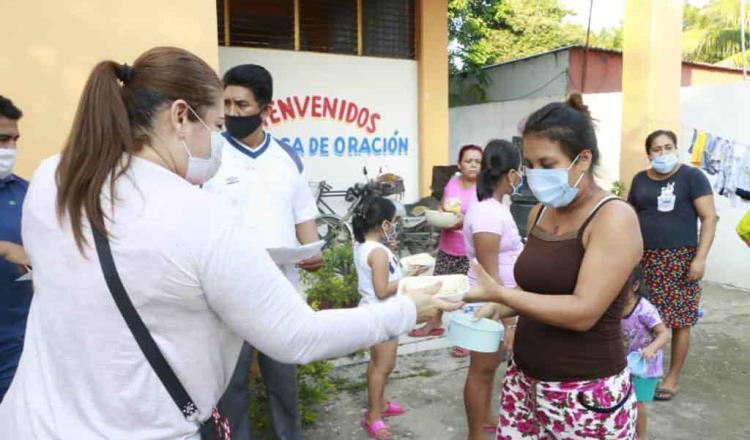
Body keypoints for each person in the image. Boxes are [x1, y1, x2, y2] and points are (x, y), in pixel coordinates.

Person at [0, 47, 458, 439]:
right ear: (181, 116)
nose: (220, 139)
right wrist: (406, 309)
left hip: (29, 422)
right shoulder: (196, 215)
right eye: (217, 124)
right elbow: (299, 336)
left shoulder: (51, 176)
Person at [465, 94, 643, 439]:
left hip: (584, 394)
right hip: (524, 383)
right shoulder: (539, 213)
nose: (536, 175)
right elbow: (536, 290)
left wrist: (503, 294)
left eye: (547, 164)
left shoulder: (613, 217)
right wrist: (492, 302)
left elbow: (583, 312)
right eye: (530, 164)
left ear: (582, 160)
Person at [202, 64, 323, 440]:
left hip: (279, 296)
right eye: (227, 104)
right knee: (230, 389)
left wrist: (312, 253)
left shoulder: (287, 159)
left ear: (266, 108)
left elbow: (305, 223)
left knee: (283, 386)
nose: (232, 113)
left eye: (242, 104)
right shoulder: (209, 155)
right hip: (227, 297)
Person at [627, 129, 717, 402]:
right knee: (645, 318)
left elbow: (710, 218)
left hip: (681, 261)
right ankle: (642, 370)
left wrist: (700, 259)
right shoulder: (640, 180)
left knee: (680, 321)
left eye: (668, 147)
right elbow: (629, 216)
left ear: (676, 149)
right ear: (649, 154)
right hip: (645, 261)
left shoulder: (692, 177)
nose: (662, 153)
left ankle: (672, 377)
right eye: (657, 149)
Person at [461, 140, 524, 439]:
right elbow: (490, 275)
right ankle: (476, 434)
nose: (522, 177)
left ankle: (485, 417)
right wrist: (508, 323)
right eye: (521, 170)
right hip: (490, 307)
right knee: (481, 370)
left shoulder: (495, 208)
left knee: (488, 370)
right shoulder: (487, 214)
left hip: (499, 306)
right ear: (510, 173)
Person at [410, 145, 481, 356]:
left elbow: (485, 218)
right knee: (440, 287)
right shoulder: (452, 181)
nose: (474, 165)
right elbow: (444, 205)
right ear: (460, 164)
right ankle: (434, 323)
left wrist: (463, 222)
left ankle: (468, 337)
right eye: (469, 160)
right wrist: (441, 213)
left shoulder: (484, 188)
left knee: (467, 295)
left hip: (470, 251)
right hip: (447, 245)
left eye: (478, 161)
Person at [352, 197, 410, 440]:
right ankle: (374, 416)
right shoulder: (377, 253)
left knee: (376, 364)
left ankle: (380, 403)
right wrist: (410, 281)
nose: (395, 226)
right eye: (394, 222)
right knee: (384, 367)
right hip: (383, 314)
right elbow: (382, 289)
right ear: (384, 224)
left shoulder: (364, 245)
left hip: (374, 312)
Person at [0, 96, 32, 403]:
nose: (9, 149)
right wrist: (5, 248)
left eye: (14, 140)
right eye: (2, 139)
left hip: (16, 346)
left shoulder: (28, 194)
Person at [621, 265, 669, 440]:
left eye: (622, 286)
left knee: (637, 402)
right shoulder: (614, 305)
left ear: (634, 286)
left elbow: (664, 333)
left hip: (645, 366)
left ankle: (641, 437)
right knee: (623, 400)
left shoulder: (645, 309)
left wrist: (651, 349)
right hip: (625, 362)